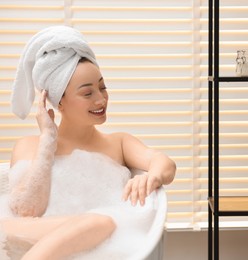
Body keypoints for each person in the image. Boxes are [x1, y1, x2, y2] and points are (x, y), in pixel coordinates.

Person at [0, 26, 176, 259]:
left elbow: (164, 163)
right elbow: (25, 210)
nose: (101, 99)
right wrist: (47, 142)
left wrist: (152, 176)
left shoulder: (118, 143)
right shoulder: (29, 145)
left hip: (84, 242)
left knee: (99, 223)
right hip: (20, 238)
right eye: (87, 93)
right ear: (58, 101)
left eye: (103, 87)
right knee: (98, 222)